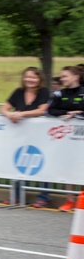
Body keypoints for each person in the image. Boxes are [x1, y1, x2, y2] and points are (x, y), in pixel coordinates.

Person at [0, 67, 50, 207]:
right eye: (28, 77)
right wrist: (9, 115)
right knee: (19, 162)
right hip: (21, 135)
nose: (30, 80)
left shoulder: (44, 92)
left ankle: (44, 196)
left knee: (43, 162)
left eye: (34, 77)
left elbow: (41, 110)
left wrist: (21, 114)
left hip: (41, 135)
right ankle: (16, 195)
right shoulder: (18, 92)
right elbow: (4, 107)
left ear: (39, 79)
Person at [45, 66, 84, 212]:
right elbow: (50, 111)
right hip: (68, 138)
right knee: (69, 168)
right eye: (61, 76)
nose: (62, 79)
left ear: (75, 77)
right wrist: (69, 112)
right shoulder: (59, 93)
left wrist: (77, 114)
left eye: (65, 76)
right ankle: (70, 200)